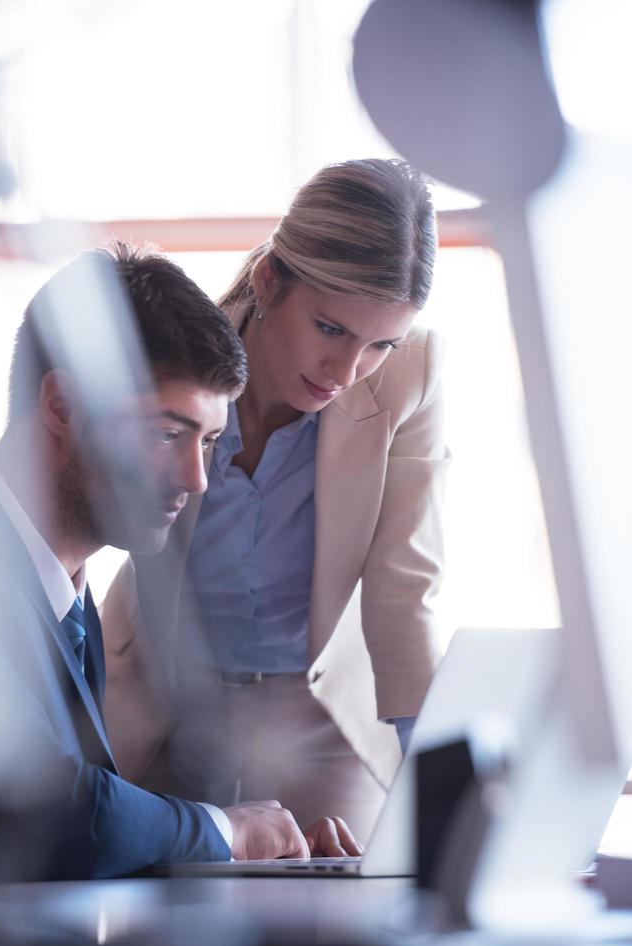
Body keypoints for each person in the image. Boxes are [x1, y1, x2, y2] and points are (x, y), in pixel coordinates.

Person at [0, 242, 362, 882]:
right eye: (166, 433)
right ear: (61, 407)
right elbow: (44, 809)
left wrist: (266, 848)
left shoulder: (65, 591)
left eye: (210, 440)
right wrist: (225, 833)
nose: (198, 479)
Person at [102, 158, 450, 841]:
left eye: (381, 344)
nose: (347, 373)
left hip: (316, 717)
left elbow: (404, 590)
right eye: (330, 329)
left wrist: (438, 789)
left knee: (337, 914)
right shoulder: (178, 355)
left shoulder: (412, 374)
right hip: (167, 696)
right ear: (269, 282)